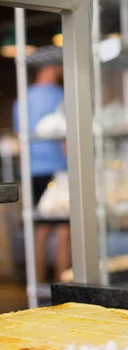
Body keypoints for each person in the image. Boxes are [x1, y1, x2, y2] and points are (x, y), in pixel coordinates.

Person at [12, 63, 70, 283]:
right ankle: (63, 285)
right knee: (64, 228)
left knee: (40, 229)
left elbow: (19, 138)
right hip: (58, 171)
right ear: (53, 69)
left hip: (32, 171)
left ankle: (37, 285)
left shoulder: (22, 99)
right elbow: (67, 139)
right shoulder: (62, 94)